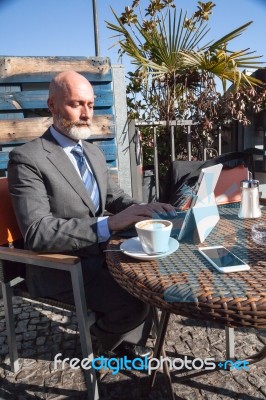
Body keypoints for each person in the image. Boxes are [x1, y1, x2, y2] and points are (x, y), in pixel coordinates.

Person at [8, 70, 176, 358]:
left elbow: (115, 198)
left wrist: (143, 209)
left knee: (160, 284)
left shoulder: (93, 153)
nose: (86, 114)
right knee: (136, 303)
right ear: (52, 106)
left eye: (90, 104)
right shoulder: (28, 158)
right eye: (76, 104)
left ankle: (123, 342)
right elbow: (37, 231)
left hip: (104, 256)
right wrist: (108, 224)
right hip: (62, 267)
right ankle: (98, 341)